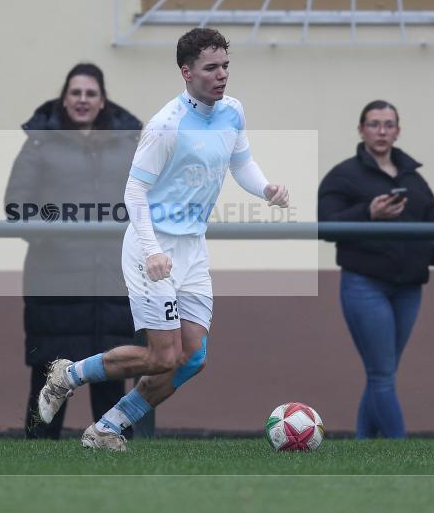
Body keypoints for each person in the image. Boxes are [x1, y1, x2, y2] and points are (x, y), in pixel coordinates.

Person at [36, 28, 289, 451]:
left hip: (192, 250)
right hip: (151, 248)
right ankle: (68, 375)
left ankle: (106, 428)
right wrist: (153, 251)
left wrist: (265, 189)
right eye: (211, 67)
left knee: (192, 359)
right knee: (162, 356)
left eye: (225, 65)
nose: (222, 74)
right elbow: (133, 192)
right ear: (187, 72)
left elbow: (242, 163)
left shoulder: (232, 112)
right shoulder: (165, 125)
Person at [5, 63, 142, 439]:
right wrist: (53, 233)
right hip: (55, 282)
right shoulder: (40, 143)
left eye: (90, 93)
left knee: (111, 378)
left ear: (102, 101)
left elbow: (145, 200)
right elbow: (16, 204)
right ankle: (37, 451)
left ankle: (114, 447)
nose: (83, 100)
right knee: (49, 378)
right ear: (65, 99)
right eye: (76, 93)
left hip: (113, 281)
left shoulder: (129, 144)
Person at [318, 100, 434, 439]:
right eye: (374, 124)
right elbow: (326, 226)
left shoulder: (413, 179)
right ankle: (399, 448)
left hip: (409, 287)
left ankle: (364, 444)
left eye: (389, 124)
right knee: (382, 375)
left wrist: (430, 253)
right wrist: (368, 214)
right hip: (365, 284)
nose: (382, 131)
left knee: (382, 373)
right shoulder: (344, 175)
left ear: (398, 131)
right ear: (361, 130)